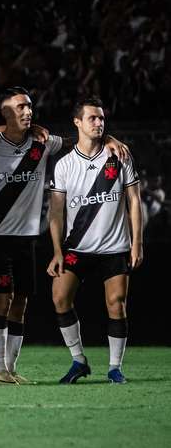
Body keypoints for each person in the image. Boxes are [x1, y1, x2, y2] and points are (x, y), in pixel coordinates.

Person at [0, 87, 130, 384]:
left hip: (28, 237)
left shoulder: (43, 143)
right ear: (5, 113)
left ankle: (10, 369)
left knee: (21, 302)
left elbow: (80, 141)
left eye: (29, 107)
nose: (28, 112)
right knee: (0, 300)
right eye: (20, 107)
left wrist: (109, 139)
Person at [48, 97, 142, 384]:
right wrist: (56, 251)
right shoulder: (63, 165)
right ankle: (79, 361)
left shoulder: (119, 156)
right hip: (78, 247)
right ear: (77, 122)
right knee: (60, 297)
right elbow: (55, 212)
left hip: (114, 247)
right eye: (92, 118)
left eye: (101, 118)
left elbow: (134, 201)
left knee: (116, 303)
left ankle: (115, 367)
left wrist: (137, 243)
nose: (99, 123)